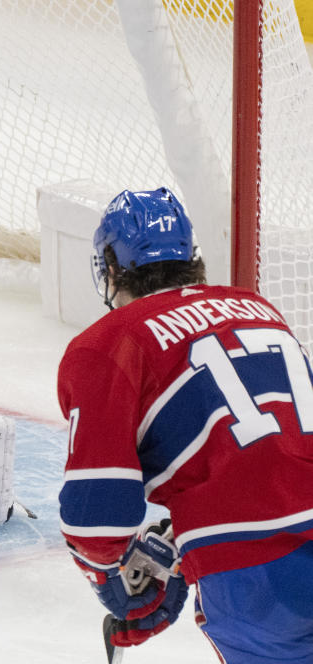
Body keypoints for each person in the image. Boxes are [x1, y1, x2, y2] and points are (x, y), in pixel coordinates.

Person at [57, 187, 313, 661]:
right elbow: (276, 449)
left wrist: (112, 577)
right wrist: (181, 538)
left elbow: (96, 519)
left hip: (258, 576)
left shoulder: (110, 343)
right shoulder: (261, 312)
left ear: (111, 267)